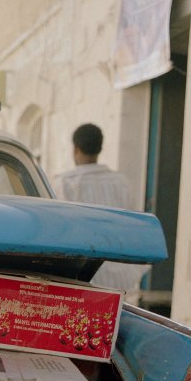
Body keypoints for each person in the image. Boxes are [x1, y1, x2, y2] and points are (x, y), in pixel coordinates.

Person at [51, 123, 148, 301]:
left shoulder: (63, 184)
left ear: (75, 149)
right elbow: (135, 232)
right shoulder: (122, 183)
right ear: (100, 148)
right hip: (118, 282)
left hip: (77, 281)